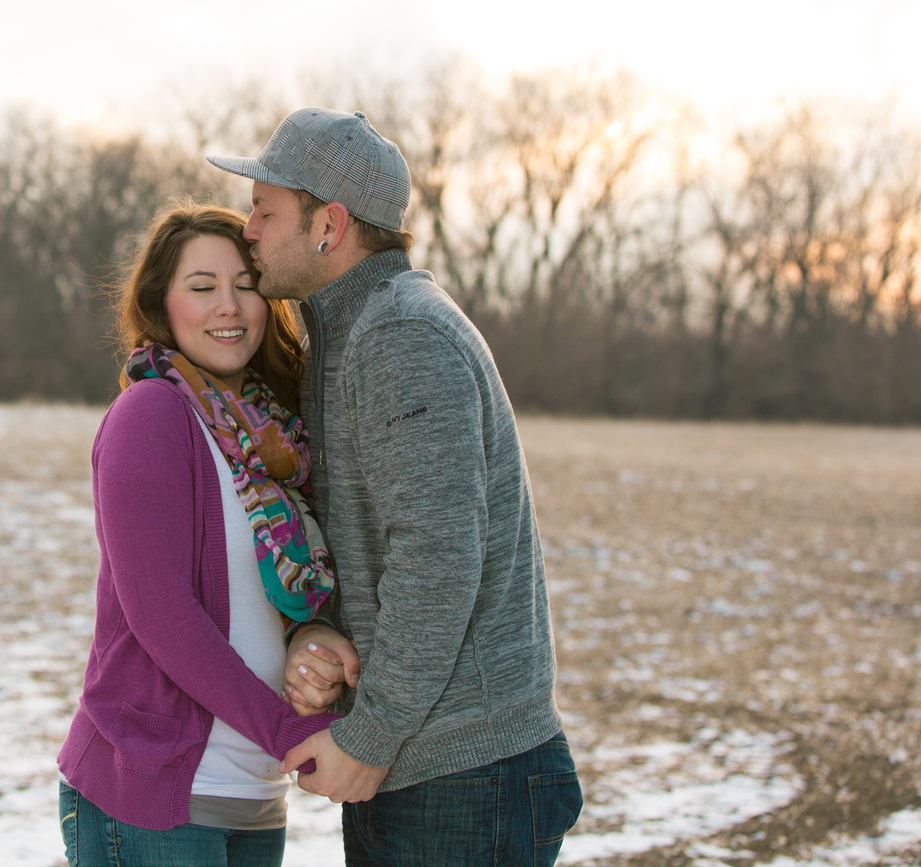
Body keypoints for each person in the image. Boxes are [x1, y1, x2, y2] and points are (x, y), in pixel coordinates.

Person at [207, 109, 583, 866]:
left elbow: (437, 559)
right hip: (433, 767)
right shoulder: (348, 337)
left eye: (265, 208)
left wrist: (367, 737)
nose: (249, 229)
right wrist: (327, 642)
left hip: (466, 779)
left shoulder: (400, 335)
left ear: (329, 224)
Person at [57, 203, 359, 867]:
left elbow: (273, 599)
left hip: (252, 798)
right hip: (155, 802)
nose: (229, 305)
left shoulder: (276, 438)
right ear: (162, 306)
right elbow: (160, 614)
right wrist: (288, 729)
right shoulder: (152, 413)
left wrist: (314, 639)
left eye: (245, 284)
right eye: (202, 287)